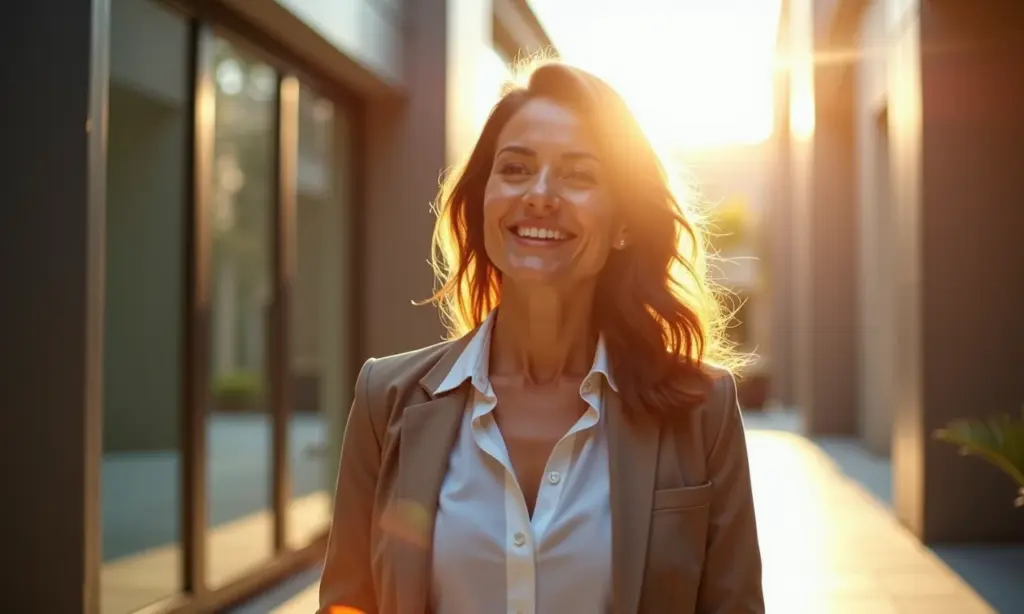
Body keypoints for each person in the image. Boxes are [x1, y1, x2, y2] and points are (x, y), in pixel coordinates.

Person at [318, 61, 763, 614]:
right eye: (515, 169)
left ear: (624, 223)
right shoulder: (386, 400)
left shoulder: (700, 408)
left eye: (578, 175)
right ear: (484, 202)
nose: (540, 195)